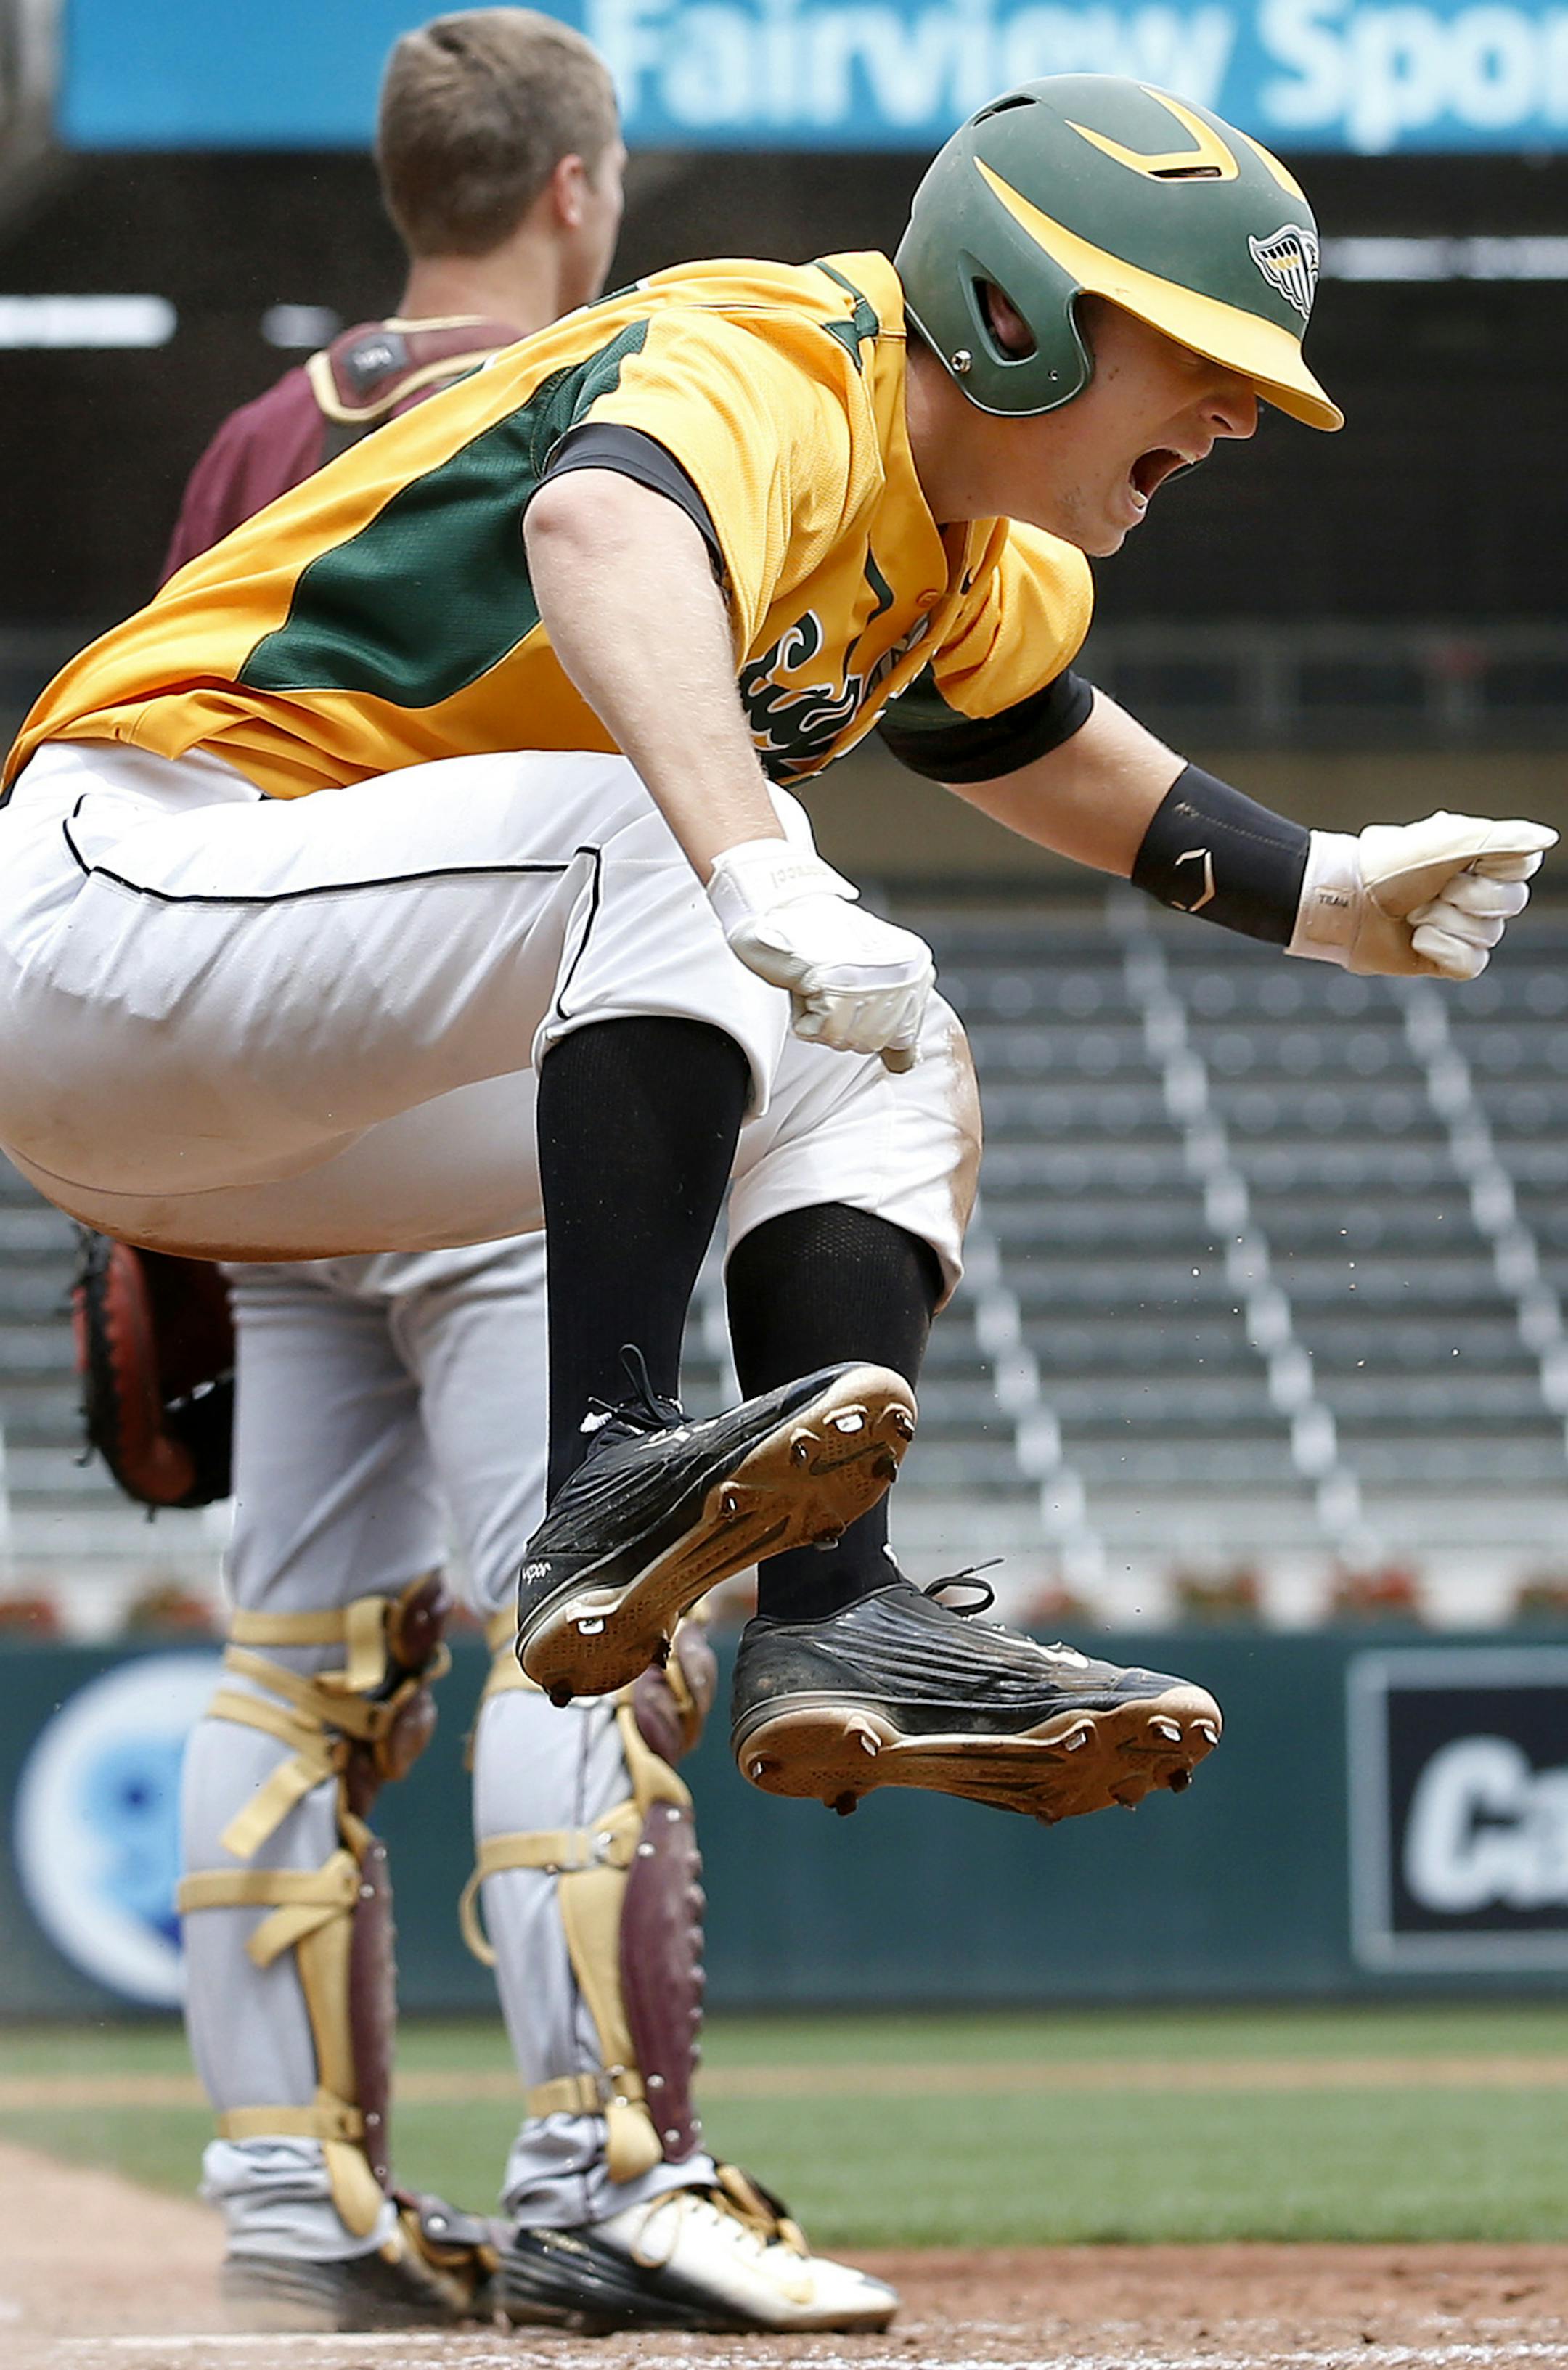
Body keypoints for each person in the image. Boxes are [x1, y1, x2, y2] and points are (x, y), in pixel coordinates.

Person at [1, 78, 1550, 1863]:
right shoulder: (779, 349)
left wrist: (1332, 891)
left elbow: (1042, 742)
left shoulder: (971, 548)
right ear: (1010, 309)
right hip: (131, 886)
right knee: (685, 837)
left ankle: (837, 1611)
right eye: (1201, 347)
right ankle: (610, 1460)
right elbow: (599, 531)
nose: (1239, 412)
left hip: (287, 1114)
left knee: (895, 1051)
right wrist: (749, 862)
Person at [91, 10, 909, 2337]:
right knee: (589, 1600)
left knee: (293, 1672)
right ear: (579, 188)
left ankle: (286, 2198)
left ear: (404, 182)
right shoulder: (633, 400)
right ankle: (601, 2167)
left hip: (257, 1098)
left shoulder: (263, 426)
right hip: (488, 1087)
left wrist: (154, 1187)